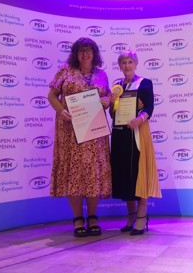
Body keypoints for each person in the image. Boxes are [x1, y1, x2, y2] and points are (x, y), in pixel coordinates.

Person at [48, 37, 111, 237]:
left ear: (94, 54)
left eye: (89, 50)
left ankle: (92, 217)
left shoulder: (102, 75)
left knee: (93, 173)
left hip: (94, 133)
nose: (85, 54)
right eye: (81, 50)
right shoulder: (65, 71)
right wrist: (60, 111)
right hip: (70, 131)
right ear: (76, 54)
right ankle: (77, 218)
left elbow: (108, 97)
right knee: (74, 173)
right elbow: (51, 95)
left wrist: (107, 101)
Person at [109, 50, 162, 235]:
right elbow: (113, 114)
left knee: (139, 171)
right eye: (123, 62)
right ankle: (130, 215)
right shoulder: (117, 85)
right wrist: (112, 103)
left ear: (136, 63)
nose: (127, 65)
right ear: (119, 65)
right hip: (120, 134)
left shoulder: (144, 83)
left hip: (138, 131)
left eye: (130, 61)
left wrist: (139, 119)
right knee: (124, 173)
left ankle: (142, 214)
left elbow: (150, 107)